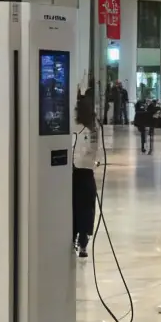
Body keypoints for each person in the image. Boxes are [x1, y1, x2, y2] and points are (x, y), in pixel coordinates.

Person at [72, 97, 99, 258]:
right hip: (88, 173)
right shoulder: (94, 129)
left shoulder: (78, 128)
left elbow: (78, 151)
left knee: (76, 208)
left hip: (77, 173)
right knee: (87, 209)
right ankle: (83, 242)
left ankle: (76, 238)